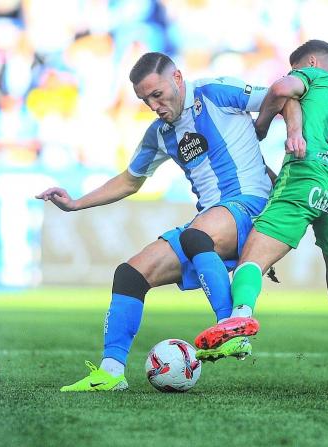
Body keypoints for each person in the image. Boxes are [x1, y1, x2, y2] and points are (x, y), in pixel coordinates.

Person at [36, 52, 275, 391]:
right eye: (145, 99)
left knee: (196, 235)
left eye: (157, 94)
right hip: (208, 224)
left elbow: (282, 94)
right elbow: (130, 180)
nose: (153, 105)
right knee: (130, 274)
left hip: (251, 206)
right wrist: (75, 204)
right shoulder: (160, 134)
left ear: (177, 78)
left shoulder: (216, 92)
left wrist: (294, 135)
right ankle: (111, 372)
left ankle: (232, 327)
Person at [194, 40, 328, 395]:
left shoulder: (311, 76)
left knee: (252, 258)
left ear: (313, 62)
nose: (292, 74)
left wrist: (263, 124)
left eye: (295, 67)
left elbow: (281, 89)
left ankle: (239, 319)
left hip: (308, 176)